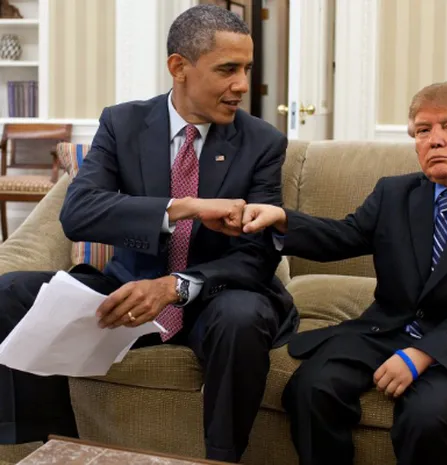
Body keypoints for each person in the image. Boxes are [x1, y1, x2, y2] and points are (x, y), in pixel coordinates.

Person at [0, 5, 297, 463]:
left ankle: (221, 458)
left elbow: (257, 255)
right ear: (179, 67)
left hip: (214, 296)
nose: (242, 84)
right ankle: (55, 446)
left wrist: (174, 286)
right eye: (227, 69)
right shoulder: (123, 124)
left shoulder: (262, 142)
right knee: (12, 291)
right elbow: (79, 212)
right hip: (129, 289)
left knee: (242, 316)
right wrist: (183, 208)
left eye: (247, 69)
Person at [229, 81, 447, 465]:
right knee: (310, 390)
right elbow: (343, 237)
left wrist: (423, 354)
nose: (435, 140)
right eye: (423, 130)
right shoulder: (395, 194)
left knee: (427, 420)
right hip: (386, 330)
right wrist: (283, 219)